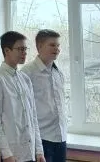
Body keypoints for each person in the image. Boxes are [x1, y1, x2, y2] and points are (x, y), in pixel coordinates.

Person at [0, 32, 44, 162]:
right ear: (7, 50)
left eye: (25, 49)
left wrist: (39, 150)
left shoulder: (25, 79)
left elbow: (33, 117)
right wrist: (6, 153)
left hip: (30, 152)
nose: (24, 52)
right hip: (11, 154)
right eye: (20, 49)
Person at [20, 30, 67, 162]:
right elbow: (23, 110)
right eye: (52, 45)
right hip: (41, 139)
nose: (57, 49)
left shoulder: (58, 73)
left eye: (58, 45)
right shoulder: (27, 72)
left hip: (61, 137)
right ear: (39, 46)